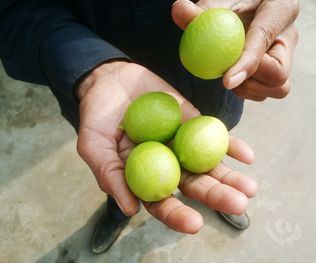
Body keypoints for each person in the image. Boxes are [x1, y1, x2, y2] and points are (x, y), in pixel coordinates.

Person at [0, 0, 299, 254]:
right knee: (118, 165)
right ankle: (118, 209)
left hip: (209, 80)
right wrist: (90, 68)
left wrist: (266, 16)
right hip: (103, 85)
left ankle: (215, 197)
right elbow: (14, 9)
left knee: (206, 141)